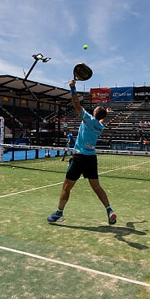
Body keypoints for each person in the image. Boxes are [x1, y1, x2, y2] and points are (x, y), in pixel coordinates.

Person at [47, 79, 116, 225]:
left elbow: (76, 104)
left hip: (79, 158)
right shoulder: (99, 126)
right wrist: (105, 115)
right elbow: (101, 121)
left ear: (95, 112)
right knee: (96, 187)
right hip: (91, 159)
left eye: (97, 108)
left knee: (67, 187)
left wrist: (73, 88)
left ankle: (59, 213)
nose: (96, 107)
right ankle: (109, 210)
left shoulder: (88, 119)